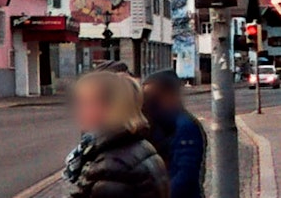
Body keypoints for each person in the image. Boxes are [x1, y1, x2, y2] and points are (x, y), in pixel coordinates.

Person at [65, 71, 170, 198]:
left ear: (111, 107)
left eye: (86, 103)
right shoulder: (136, 145)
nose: (78, 110)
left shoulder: (112, 166)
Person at [143, 70, 206, 198]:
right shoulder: (160, 121)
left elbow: (185, 175)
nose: (147, 101)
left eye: (152, 96)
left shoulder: (185, 125)